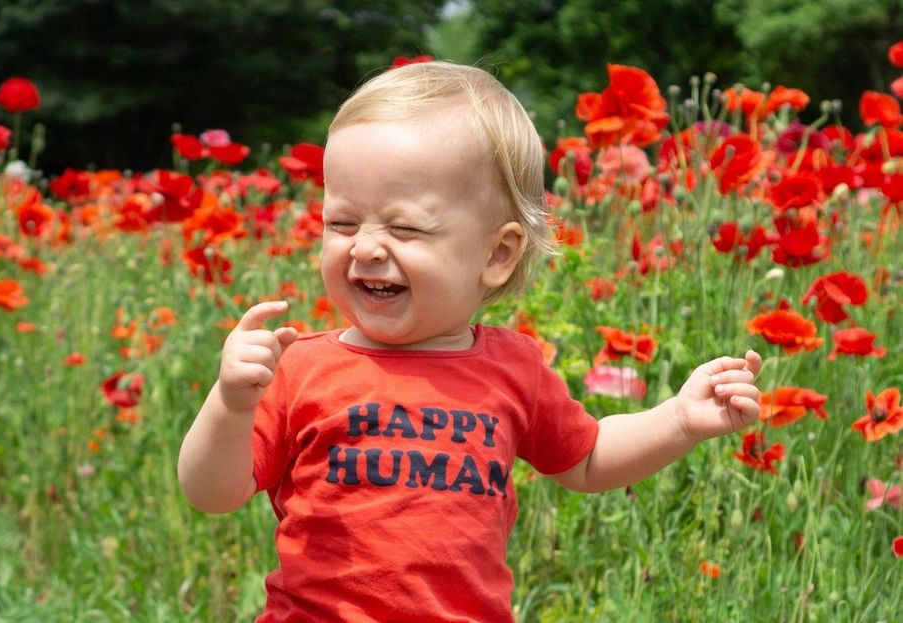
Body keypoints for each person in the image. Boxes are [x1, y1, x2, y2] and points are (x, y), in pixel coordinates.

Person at [177, 61, 762, 622]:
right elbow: (212, 492)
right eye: (342, 222)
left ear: (497, 254)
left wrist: (679, 419)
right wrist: (230, 405)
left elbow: (585, 460)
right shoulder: (301, 367)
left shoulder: (513, 366)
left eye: (405, 227)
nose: (366, 248)